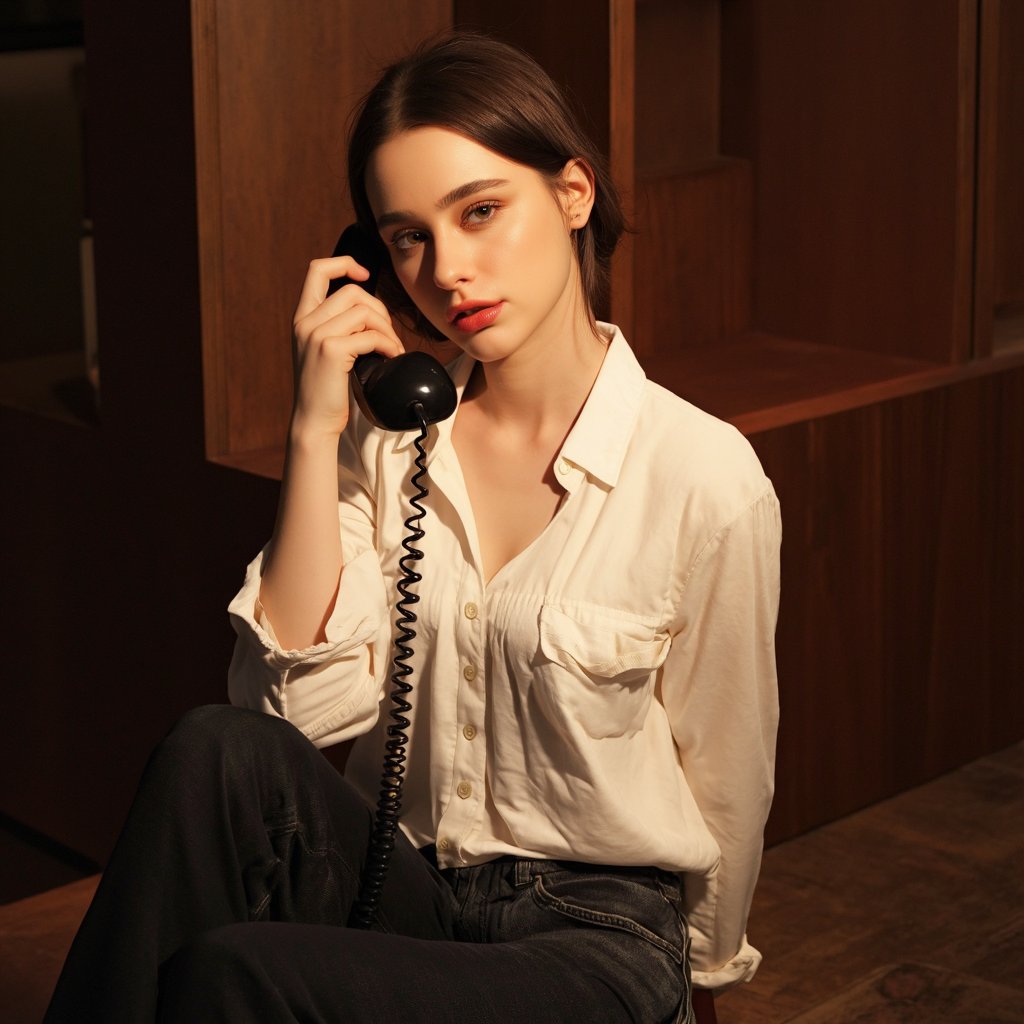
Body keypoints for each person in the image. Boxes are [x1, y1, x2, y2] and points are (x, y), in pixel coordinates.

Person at [45, 33, 780, 1024]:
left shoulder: (702, 474)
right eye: (406, 238)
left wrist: (704, 981)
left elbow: (728, 770)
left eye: (480, 211)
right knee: (214, 748)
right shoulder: (394, 442)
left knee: (233, 975)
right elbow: (292, 721)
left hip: (593, 942)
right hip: (411, 893)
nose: (449, 270)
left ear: (572, 194)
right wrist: (316, 423)